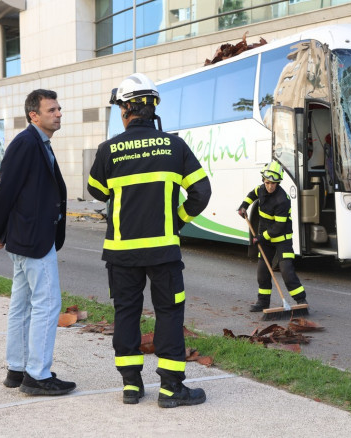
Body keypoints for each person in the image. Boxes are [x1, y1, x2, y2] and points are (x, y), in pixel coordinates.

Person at [87, 73, 211, 408]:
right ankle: (171, 389)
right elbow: (202, 192)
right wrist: (177, 221)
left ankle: (131, 387)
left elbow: (96, 191)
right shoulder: (175, 146)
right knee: (169, 314)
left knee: (126, 313)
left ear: (127, 109)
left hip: (121, 253)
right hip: (163, 250)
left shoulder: (108, 150)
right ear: (152, 106)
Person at [0, 89, 75, 396]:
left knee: (22, 305)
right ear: (33, 115)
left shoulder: (39, 143)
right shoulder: (26, 143)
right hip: (33, 239)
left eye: (59, 108)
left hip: (27, 238)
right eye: (52, 110)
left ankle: (17, 369)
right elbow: (4, 190)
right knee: (48, 304)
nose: (59, 113)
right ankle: (37, 375)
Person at [237, 161, 307, 311]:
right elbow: (252, 194)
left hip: (282, 240)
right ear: (263, 180)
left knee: (286, 271)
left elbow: (279, 227)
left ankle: (301, 301)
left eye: (273, 183)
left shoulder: (282, 200)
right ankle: (263, 302)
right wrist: (244, 206)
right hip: (266, 240)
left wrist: (261, 237)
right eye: (267, 182)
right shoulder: (261, 189)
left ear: (278, 183)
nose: (270, 186)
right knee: (262, 272)